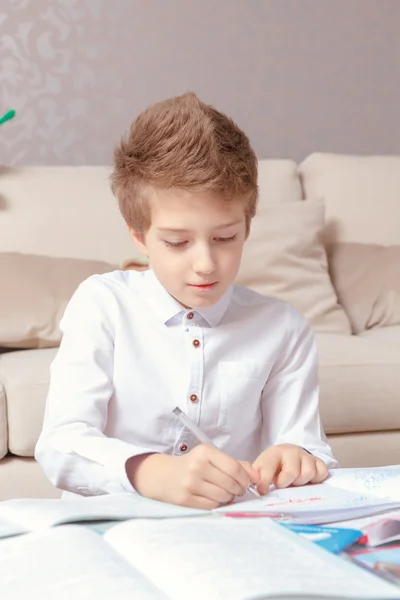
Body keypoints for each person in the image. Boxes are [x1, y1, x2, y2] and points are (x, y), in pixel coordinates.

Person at [35, 93, 337, 509]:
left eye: (225, 238)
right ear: (139, 236)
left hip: (228, 531)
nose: (205, 264)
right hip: (113, 524)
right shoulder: (102, 304)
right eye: (178, 242)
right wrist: (150, 471)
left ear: (247, 227)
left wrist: (297, 459)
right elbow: (61, 444)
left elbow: (308, 450)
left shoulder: (283, 328)